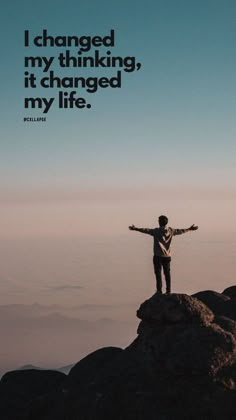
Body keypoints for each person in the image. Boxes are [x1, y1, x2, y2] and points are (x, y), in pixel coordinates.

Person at [129, 215, 198, 294]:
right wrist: (189, 229)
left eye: (159, 221)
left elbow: (146, 230)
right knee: (167, 274)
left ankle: (159, 291)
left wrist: (135, 229)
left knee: (158, 274)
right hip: (167, 256)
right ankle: (168, 290)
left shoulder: (156, 231)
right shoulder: (171, 230)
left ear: (160, 222)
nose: (158, 222)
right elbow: (181, 231)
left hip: (158, 256)